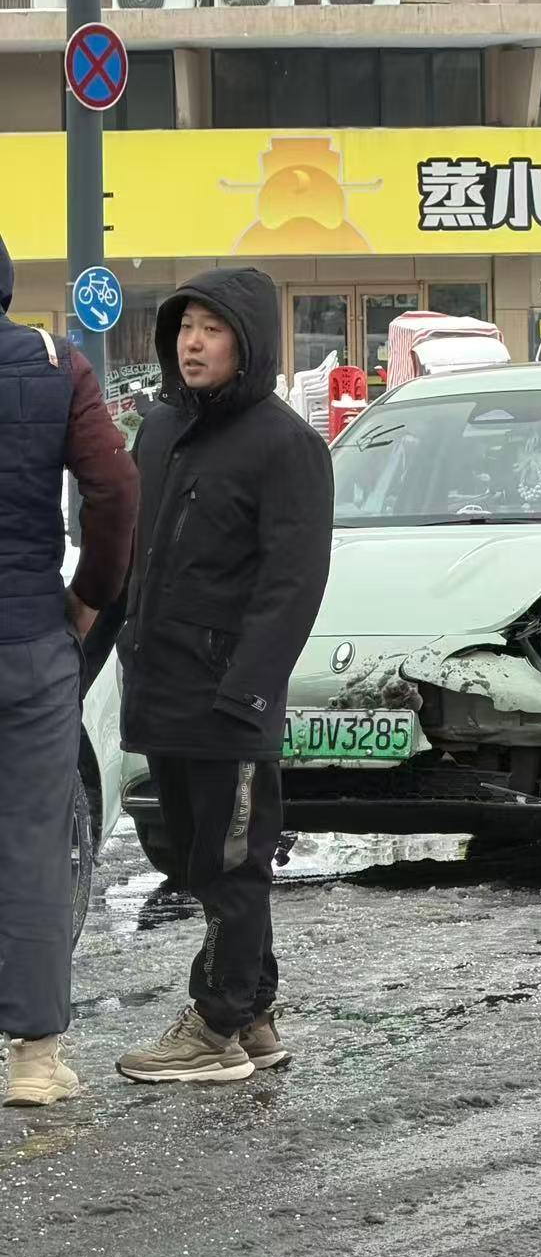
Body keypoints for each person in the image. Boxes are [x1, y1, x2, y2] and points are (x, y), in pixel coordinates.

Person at [115, 266, 333, 1087]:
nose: (192, 342)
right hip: (163, 685)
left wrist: (250, 687)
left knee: (233, 861)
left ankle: (214, 1025)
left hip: (228, 695)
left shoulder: (287, 444)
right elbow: (143, 559)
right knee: (192, 856)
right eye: (183, 328)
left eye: (210, 328)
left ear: (249, 342)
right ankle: (254, 1013)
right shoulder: (162, 429)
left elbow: (293, 582)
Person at [0, 237, 138, 1106]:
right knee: (33, 839)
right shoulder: (56, 364)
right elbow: (115, 490)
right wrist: (88, 599)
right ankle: (35, 1061)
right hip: (26, 641)